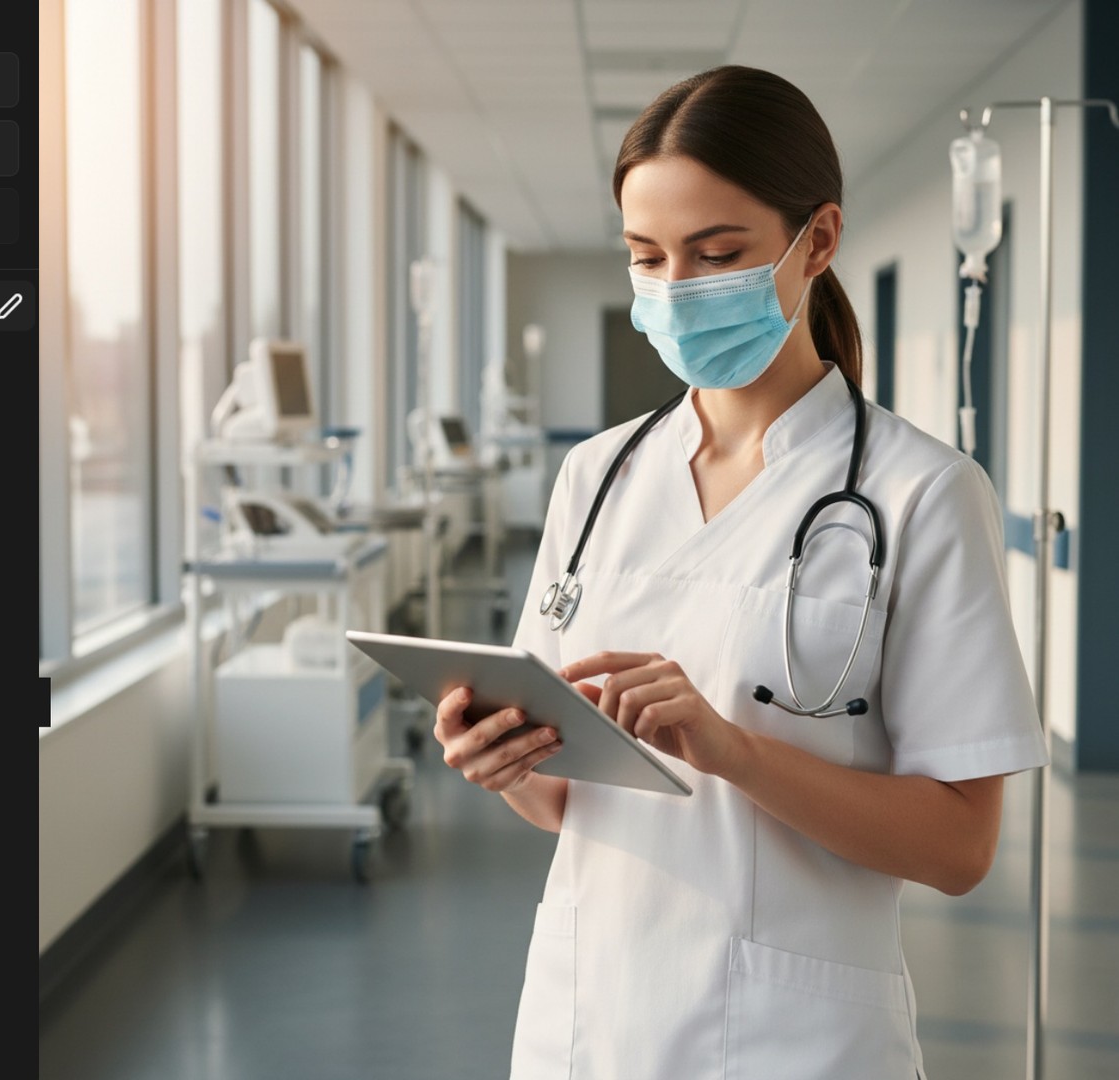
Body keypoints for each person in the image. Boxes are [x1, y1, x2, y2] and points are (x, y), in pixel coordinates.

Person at [433, 66, 1046, 1079]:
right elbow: (561, 802)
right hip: (588, 1023)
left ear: (819, 240)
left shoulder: (922, 494)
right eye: (647, 257)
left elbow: (959, 847)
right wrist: (504, 763)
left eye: (718, 255)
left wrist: (733, 750)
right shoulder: (595, 476)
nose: (678, 290)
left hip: (794, 1041)